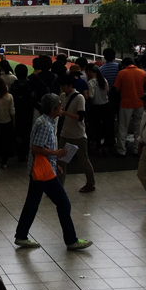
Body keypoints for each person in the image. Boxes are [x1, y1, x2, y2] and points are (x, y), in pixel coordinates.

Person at [14, 94, 92, 251]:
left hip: (40, 169)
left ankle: (21, 235)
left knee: (32, 203)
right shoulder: (45, 125)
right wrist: (57, 154)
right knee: (63, 203)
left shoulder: (45, 121)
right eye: (60, 105)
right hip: (43, 173)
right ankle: (71, 240)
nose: (62, 107)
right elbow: (36, 148)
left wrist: (54, 164)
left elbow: (40, 148)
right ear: (53, 109)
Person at [56, 75, 95, 193]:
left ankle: (90, 183)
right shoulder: (62, 96)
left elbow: (80, 117)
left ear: (69, 85)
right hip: (65, 133)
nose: (62, 88)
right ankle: (59, 185)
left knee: (84, 160)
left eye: (63, 86)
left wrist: (65, 113)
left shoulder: (79, 98)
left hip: (78, 135)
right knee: (61, 161)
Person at [114, 57, 146, 155]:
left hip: (126, 104)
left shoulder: (121, 73)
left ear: (124, 65)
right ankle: (137, 149)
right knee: (138, 128)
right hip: (139, 103)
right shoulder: (142, 73)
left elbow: (117, 89)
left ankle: (121, 150)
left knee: (123, 127)